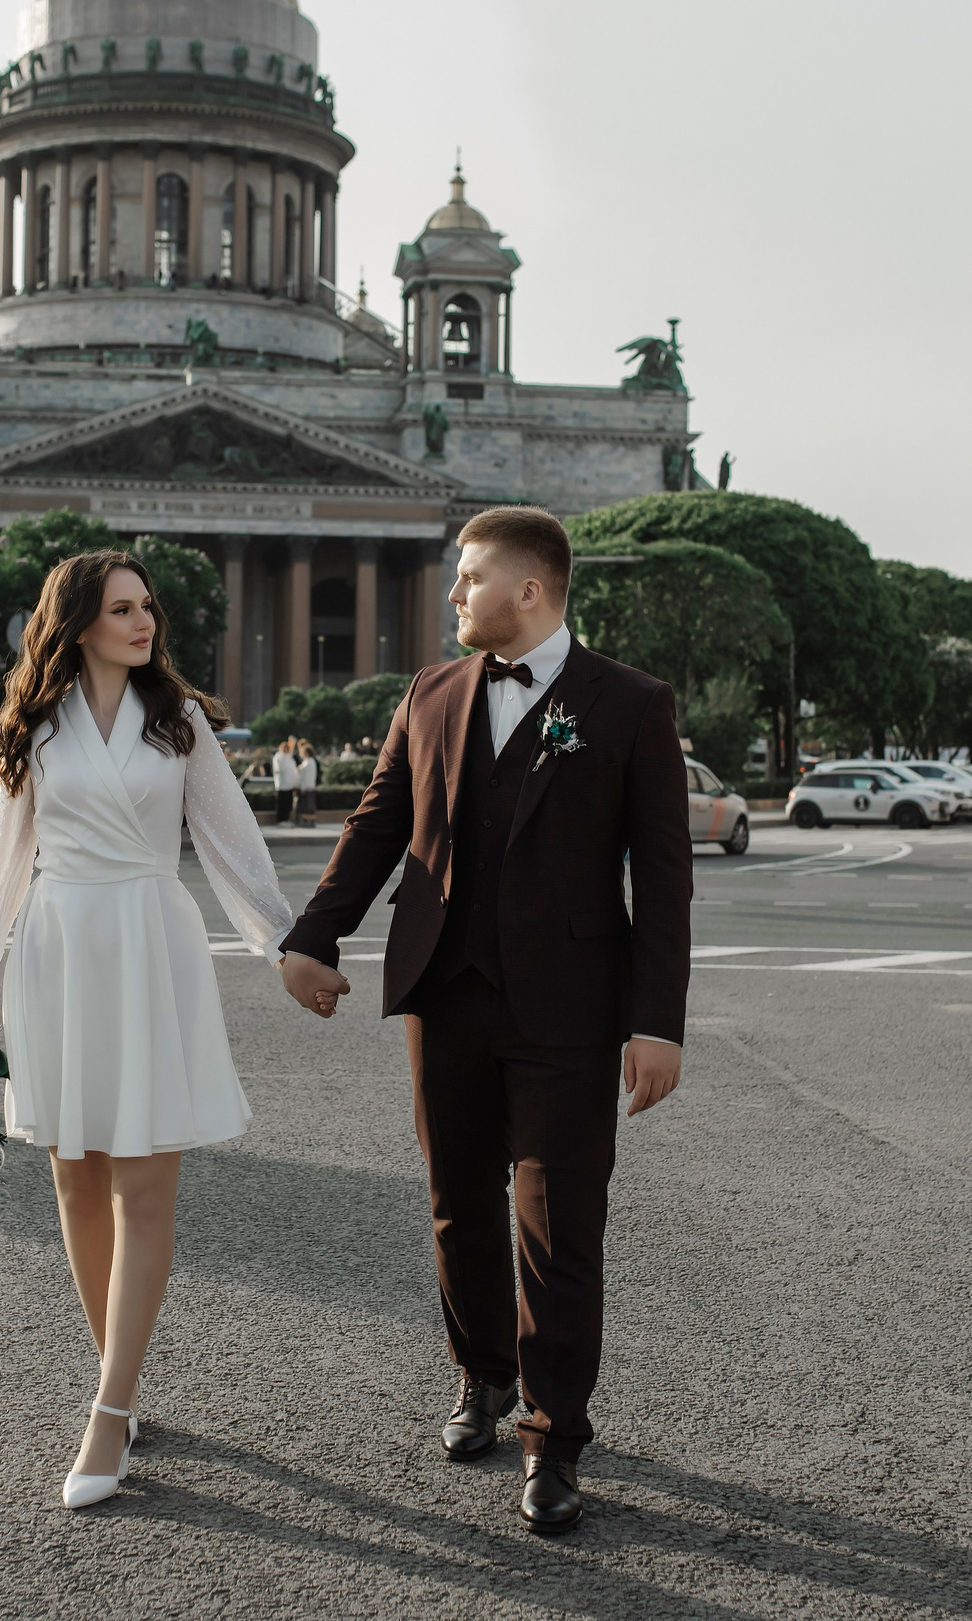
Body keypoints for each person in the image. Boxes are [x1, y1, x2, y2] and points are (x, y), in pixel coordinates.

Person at [276, 505, 691, 1535]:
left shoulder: (630, 704)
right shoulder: (429, 693)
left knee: (559, 1227)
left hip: (572, 1009)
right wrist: (312, 936)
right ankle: (482, 1376)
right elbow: (376, 824)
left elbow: (666, 878)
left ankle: (555, 1439)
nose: (454, 594)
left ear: (530, 591)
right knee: (457, 1202)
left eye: (469, 578)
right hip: (446, 992)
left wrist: (657, 1021)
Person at [0, 550, 290, 1511]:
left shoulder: (180, 724)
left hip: (150, 940)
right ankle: (118, 1373)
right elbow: (6, 857)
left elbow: (232, 843)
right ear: (79, 623)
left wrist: (284, 945)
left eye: (150, 608)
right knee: (75, 1175)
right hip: (57, 946)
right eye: (124, 609)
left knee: (143, 1181)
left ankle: (110, 1407)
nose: (145, 624)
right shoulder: (33, 729)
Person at [269, 738, 300, 827]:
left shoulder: (288, 756)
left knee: (288, 804)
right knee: (282, 803)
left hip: (289, 785)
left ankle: (286, 819)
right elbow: (279, 769)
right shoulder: (278, 757)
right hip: (282, 785)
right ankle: (281, 820)